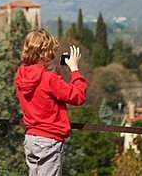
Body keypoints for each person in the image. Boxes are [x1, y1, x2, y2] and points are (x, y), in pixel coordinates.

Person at [14, 29, 87, 176]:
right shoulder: (49, 79)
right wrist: (74, 69)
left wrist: (58, 70)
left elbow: (43, 93)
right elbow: (78, 96)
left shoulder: (21, 75)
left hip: (31, 139)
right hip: (49, 139)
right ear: (46, 54)